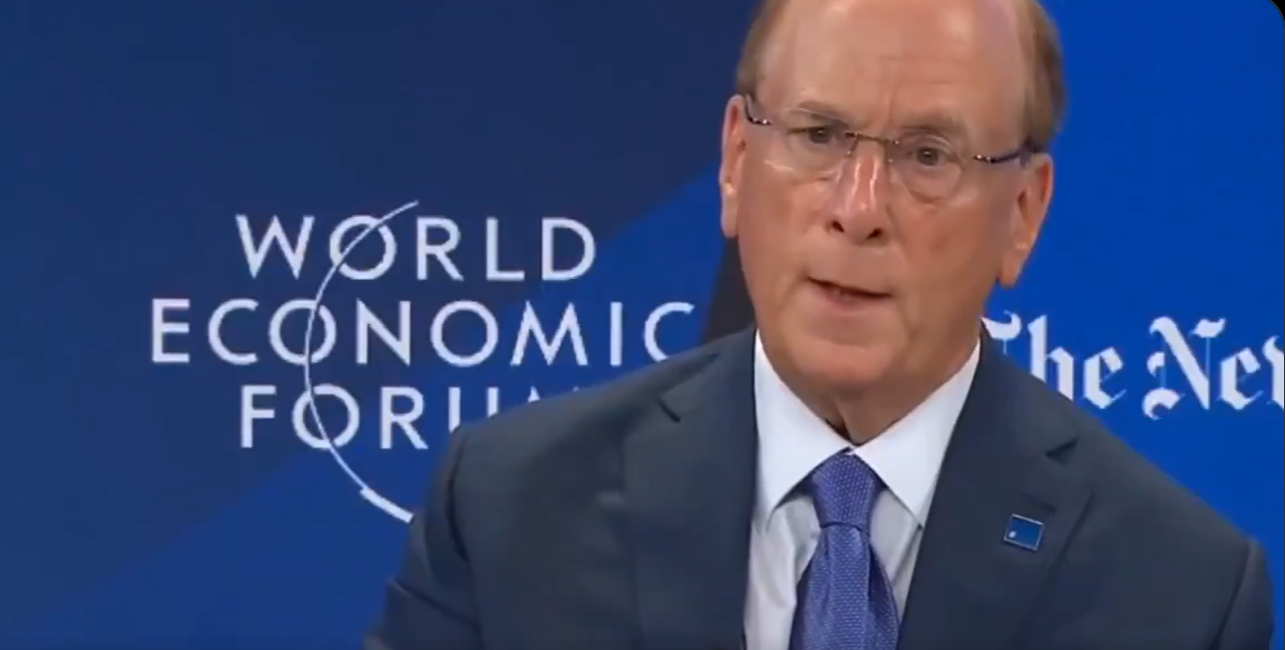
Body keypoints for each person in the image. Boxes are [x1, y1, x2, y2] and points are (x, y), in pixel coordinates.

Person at [363, 0, 1276, 646]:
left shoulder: (1177, 593)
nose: (857, 208)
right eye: (818, 136)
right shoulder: (512, 509)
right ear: (734, 162)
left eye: (928, 155)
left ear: (1023, 214)